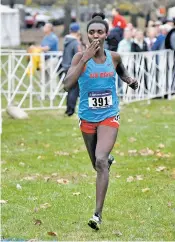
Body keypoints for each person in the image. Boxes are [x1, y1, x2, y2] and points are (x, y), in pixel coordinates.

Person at [63, 12, 138, 231]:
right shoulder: (79, 58)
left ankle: (97, 215)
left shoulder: (114, 57)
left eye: (100, 31)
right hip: (87, 117)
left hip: (109, 115)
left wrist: (131, 81)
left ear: (106, 35)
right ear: (86, 35)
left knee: (101, 161)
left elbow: (122, 74)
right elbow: (67, 85)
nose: (96, 35)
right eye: (92, 32)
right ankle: (105, 159)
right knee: (95, 163)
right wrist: (85, 58)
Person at [62, 22, 83, 116]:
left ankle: (68, 109)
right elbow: (79, 55)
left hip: (66, 67)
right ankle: (71, 110)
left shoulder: (66, 41)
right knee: (74, 90)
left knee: (69, 89)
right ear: (77, 31)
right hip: (74, 68)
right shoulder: (75, 42)